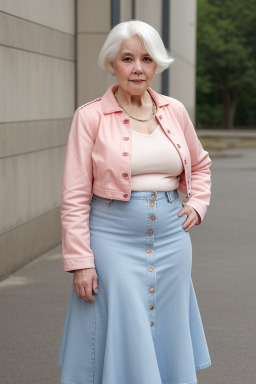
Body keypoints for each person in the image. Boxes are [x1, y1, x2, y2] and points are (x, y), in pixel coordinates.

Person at [57, 20, 212, 384]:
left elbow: (202, 165)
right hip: (112, 239)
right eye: (128, 58)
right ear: (112, 63)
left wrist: (198, 203)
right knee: (124, 324)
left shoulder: (174, 110)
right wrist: (80, 262)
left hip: (173, 241)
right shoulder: (90, 116)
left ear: (157, 64)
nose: (138, 68)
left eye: (147, 58)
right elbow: (75, 194)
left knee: (167, 324)